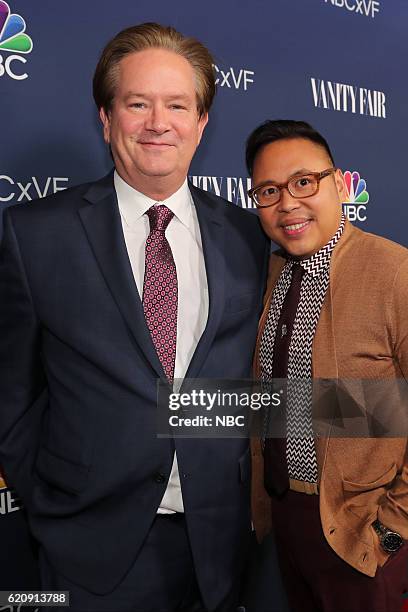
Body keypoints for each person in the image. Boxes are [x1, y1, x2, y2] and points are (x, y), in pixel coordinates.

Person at [0, 23, 269, 612]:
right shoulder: (34, 233)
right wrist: (49, 500)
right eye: (137, 103)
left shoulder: (251, 236)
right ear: (105, 117)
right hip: (88, 552)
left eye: (177, 105)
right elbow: (13, 390)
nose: (158, 122)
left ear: (201, 123)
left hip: (221, 549)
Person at [247, 120, 408, 612]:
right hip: (284, 521)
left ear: (338, 183)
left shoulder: (393, 272)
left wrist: (391, 530)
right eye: (268, 191)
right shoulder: (266, 274)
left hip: (363, 533)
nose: (288, 204)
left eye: (303, 182)